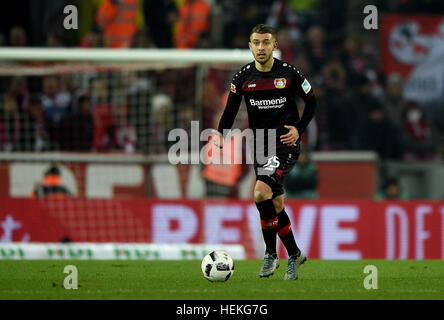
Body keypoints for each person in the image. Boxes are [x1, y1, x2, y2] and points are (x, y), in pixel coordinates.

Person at [213, 24, 316, 280]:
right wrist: (220, 132)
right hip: (260, 145)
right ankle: (294, 254)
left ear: (274, 46)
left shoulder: (289, 73)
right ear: (250, 46)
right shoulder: (243, 77)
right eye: (256, 42)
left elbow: (312, 100)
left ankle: (271, 254)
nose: (261, 47)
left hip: (284, 142)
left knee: (260, 193)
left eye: (266, 42)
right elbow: (230, 109)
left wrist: (299, 129)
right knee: (275, 202)